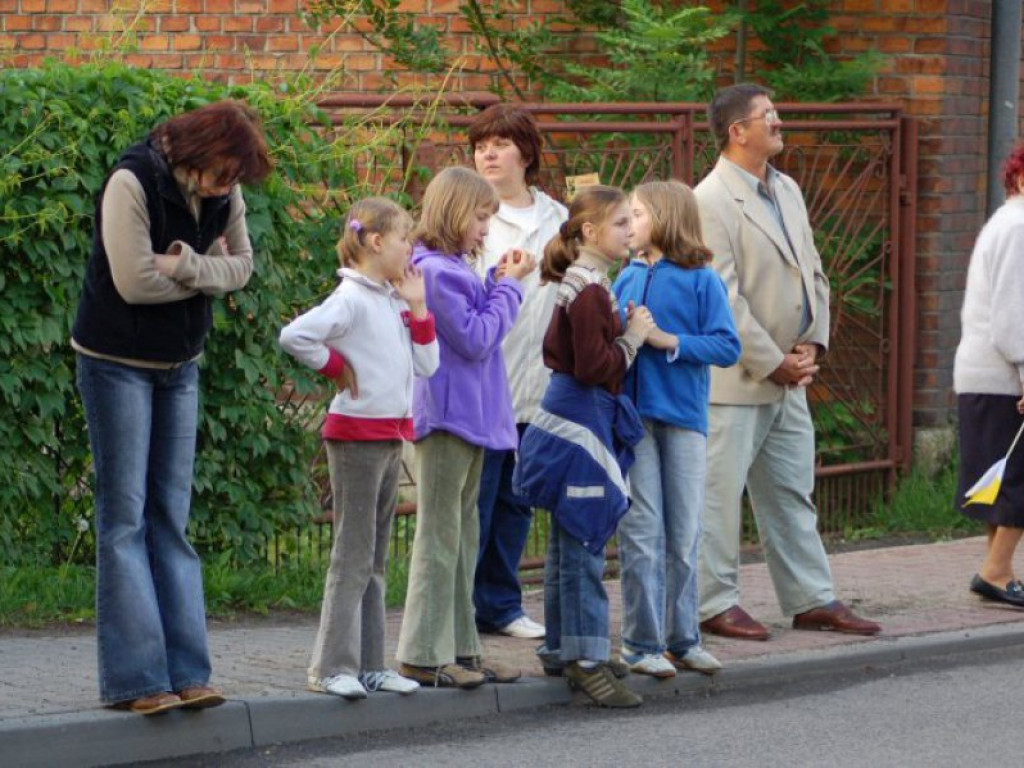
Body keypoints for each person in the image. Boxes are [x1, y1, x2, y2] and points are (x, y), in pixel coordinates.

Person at [71, 100, 272, 715]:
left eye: (236, 177)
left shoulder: (224, 195)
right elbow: (133, 282)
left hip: (179, 366)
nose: (228, 187)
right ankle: (137, 680)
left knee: (171, 522)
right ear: (195, 152)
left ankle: (189, 674)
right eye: (222, 173)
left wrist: (185, 263)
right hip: (116, 363)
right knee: (125, 521)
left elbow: (244, 267)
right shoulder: (131, 180)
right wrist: (209, 272)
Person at [694, 83, 881, 641]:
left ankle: (810, 598)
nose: (778, 122)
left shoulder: (789, 189)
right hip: (737, 378)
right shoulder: (709, 200)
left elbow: (814, 271)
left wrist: (813, 345)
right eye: (767, 116)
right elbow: (721, 296)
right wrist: (771, 360)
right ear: (737, 132)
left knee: (792, 493)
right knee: (719, 497)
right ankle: (713, 602)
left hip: (790, 375)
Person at [279, 198, 440, 700]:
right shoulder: (350, 298)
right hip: (355, 440)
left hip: (390, 436)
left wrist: (417, 306)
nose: (410, 247)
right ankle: (329, 667)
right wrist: (333, 366)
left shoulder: (391, 299)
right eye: (403, 238)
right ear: (374, 242)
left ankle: (371, 665)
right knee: (351, 556)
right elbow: (294, 336)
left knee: (373, 558)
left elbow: (428, 365)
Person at [514, 185, 656, 708]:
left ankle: (564, 648)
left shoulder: (586, 281)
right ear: (591, 232)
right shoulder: (591, 288)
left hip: (573, 415)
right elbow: (596, 367)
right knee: (585, 541)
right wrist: (635, 336)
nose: (630, 232)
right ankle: (587, 660)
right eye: (621, 224)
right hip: (580, 421)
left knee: (566, 544)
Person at [395, 166, 534, 688]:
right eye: (480, 218)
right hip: (447, 417)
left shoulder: (453, 268)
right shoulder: (433, 272)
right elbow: (477, 337)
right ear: (455, 213)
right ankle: (421, 655)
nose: (484, 230)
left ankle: (462, 650)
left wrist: (497, 282)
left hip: (472, 420)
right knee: (438, 537)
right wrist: (511, 289)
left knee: (463, 536)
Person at [612, 180, 741, 678]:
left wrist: (668, 340)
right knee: (642, 531)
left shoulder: (701, 280)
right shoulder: (623, 278)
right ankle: (641, 642)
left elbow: (726, 346)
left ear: (664, 219)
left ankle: (683, 638)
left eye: (637, 215)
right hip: (633, 421)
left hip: (684, 419)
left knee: (684, 530)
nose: (629, 225)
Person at [468, 104, 568, 640]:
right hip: (485, 384)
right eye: (481, 144)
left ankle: (501, 606)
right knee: (476, 501)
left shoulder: (558, 218)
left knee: (517, 500)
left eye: (500, 143)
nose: (487, 153)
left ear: (525, 154)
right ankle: (459, 607)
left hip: (539, 384)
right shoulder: (473, 219)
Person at [954, 142, 1024, 608]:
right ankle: (995, 571)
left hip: (985, 373)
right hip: (1004, 374)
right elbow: (1014, 314)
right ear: (1019, 179)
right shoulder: (1020, 226)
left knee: (1000, 477)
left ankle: (998, 569)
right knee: (1017, 476)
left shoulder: (1005, 222)